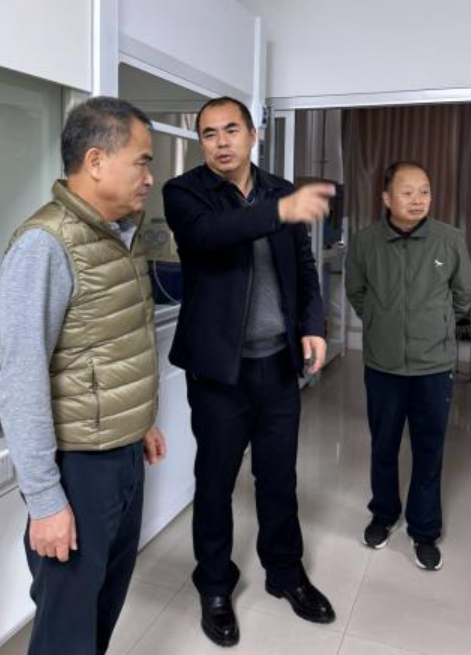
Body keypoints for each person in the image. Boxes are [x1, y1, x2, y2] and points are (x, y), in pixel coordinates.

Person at [162, 96, 337, 647]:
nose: (221, 142)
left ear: (253, 134)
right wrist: (279, 212)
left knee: (278, 477)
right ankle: (215, 585)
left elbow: (303, 268)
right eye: (209, 133)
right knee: (215, 482)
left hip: (278, 366)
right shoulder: (185, 193)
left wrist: (313, 325)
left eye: (231, 130)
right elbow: (208, 237)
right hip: (220, 373)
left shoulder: (280, 190)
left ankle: (286, 573)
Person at [0, 96, 167, 655]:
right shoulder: (45, 244)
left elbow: (113, 343)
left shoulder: (119, 234)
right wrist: (46, 501)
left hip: (122, 455)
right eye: (141, 161)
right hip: (79, 468)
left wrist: (139, 421)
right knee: (67, 629)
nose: (149, 176)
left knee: (101, 610)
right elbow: (21, 379)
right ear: (96, 161)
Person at [345, 161, 471, 571]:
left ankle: (424, 530)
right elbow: (356, 292)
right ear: (386, 198)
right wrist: (382, 323)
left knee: (429, 448)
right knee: (383, 444)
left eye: (425, 191)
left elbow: (464, 295)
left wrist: (435, 326)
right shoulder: (365, 242)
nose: (418, 200)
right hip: (382, 365)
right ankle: (383, 514)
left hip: (433, 365)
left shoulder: (449, 240)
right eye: (407, 192)